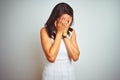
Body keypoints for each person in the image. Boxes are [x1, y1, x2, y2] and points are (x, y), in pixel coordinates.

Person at [40, 2, 80, 80]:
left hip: (69, 75)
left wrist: (65, 35)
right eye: (63, 20)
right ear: (55, 18)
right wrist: (59, 32)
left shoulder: (72, 32)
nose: (65, 24)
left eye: (68, 21)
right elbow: (51, 58)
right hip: (51, 75)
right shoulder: (44, 31)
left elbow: (75, 57)